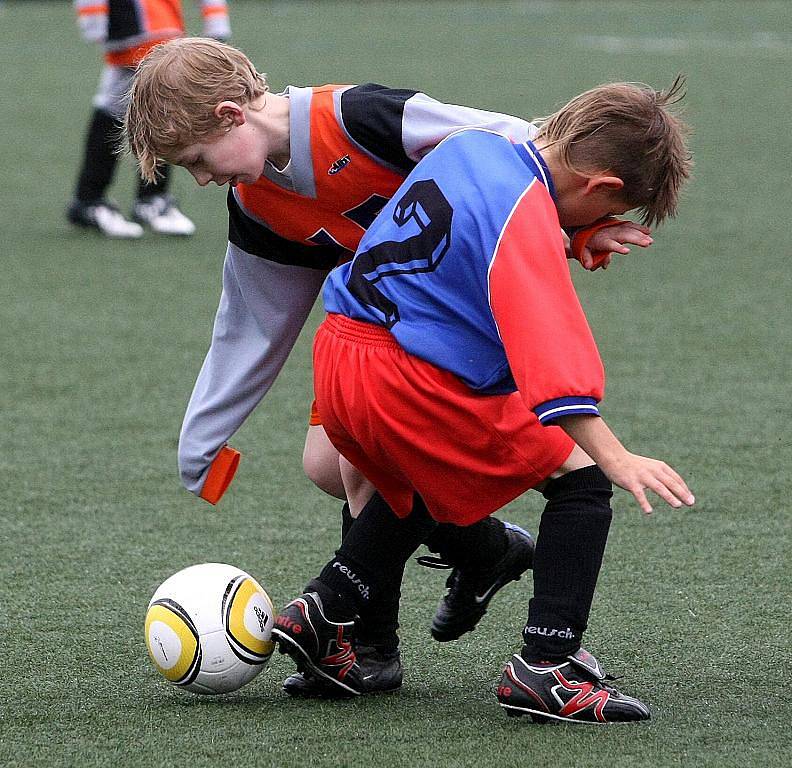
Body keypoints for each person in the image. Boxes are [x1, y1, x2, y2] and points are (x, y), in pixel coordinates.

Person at [124, 38, 654, 698]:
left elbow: (525, 156)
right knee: (332, 465)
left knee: (369, 465)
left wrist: (577, 229)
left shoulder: (360, 118)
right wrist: (202, 439)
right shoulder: (258, 204)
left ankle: (366, 644)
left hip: (456, 334)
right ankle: (483, 555)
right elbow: (251, 328)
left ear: (233, 114)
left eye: (197, 160)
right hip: (375, 336)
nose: (201, 179)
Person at [271, 78, 695, 723]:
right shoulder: (524, 214)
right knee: (580, 484)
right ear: (603, 186)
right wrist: (617, 455)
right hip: (405, 377)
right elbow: (549, 357)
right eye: (609, 209)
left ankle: (322, 610)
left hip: (341, 355)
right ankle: (547, 667)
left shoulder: (474, 145)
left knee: (422, 475)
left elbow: (470, 226)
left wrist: (578, 235)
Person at [67, 1, 230, 238]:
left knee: (144, 106)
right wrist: (94, 18)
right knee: (153, 106)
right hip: (133, 26)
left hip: (161, 25)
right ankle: (124, 199)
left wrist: (216, 19)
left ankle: (119, 198)